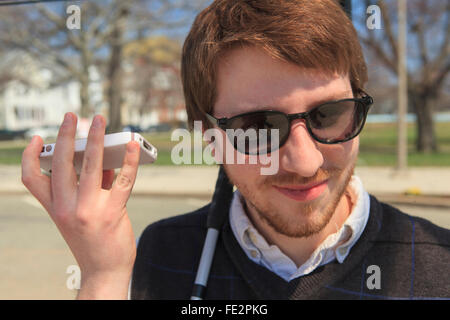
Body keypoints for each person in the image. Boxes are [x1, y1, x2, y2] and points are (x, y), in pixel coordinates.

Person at [21, 0, 449, 300]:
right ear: (208, 138)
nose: (305, 161)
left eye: (327, 115)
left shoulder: (440, 264)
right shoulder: (161, 254)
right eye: (258, 127)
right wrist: (102, 276)